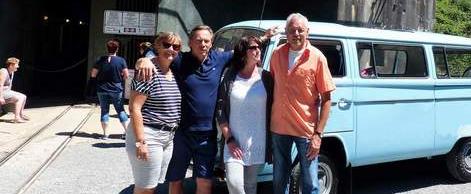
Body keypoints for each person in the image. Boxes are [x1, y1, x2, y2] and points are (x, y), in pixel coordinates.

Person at [136, 25, 278, 194]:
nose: (203, 44)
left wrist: (264, 37)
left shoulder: (219, 58)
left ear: (211, 43)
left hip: (207, 135)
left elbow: (242, 50)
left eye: (206, 41)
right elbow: (160, 53)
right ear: (190, 42)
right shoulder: (180, 59)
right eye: (199, 40)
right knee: (175, 182)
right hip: (182, 134)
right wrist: (144, 59)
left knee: (205, 184)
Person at [269, 13, 336, 194]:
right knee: (279, 179)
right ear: (286, 32)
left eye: (300, 30)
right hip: (279, 127)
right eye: (292, 30)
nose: (296, 34)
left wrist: (318, 135)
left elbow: (327, 99)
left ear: (308, 32)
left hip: (305, 130)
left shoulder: (317, 57)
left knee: (310, 181)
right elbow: (271, 87)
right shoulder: (276, 54)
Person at [126, 32, 182, 194]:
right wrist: (141, 142)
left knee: (154, 184)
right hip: (149, 136)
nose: (171, 49)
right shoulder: (147, 71)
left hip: (168, 137)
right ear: (157, 46)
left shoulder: (174, 72)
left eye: (176, 46)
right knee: (146, 188)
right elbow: (134, 108)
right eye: (166, 45)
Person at [216, 36, 274, 194]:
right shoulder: (230, 75)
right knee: (235, 185)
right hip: (233, 142)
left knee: (250, 187)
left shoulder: (266, 77)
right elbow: (220, 110)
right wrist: (230, 138)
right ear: (243, 52)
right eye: (253, 48)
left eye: (259, 47)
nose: (258, 50)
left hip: (258, 142)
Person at [91, 40, 130, 140]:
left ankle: (105, 135)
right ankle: (128, 134)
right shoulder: (121, 60)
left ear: (107, 48)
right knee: (120, 110)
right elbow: (126, 76)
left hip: (102, 89)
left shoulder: (100, 59)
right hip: (116, 89)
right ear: (117, 49)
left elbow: (93, 74)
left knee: (104, 111)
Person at [0, 57, 29, 123]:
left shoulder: (12, 72)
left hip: (5, 91)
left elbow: (9, 86)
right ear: (11, 65)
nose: (18, 66)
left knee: (24, 96)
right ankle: (17, 117)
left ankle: (20, 115)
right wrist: (1, 97)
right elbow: (0, 85)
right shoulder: (4, 71)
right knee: (20, 98)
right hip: (1, 92)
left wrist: (10, 94)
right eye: (16, 65)